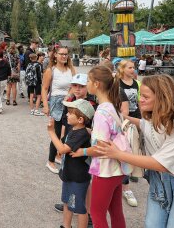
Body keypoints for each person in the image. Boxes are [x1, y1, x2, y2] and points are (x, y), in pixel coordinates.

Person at [96, 75, 174, 227]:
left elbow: (161, 164)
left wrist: (119, 154)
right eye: (140, 96)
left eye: (145, 96)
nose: (140, 100)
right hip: (161, 180)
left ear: (162, 98)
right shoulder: (154, 117)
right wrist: (115, 115)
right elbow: (143, 124)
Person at [70, 65, 126, 228]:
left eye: (88, 81)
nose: (86, 84)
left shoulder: (101, 112)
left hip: (105, 170)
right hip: (118, 169)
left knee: (96, 213)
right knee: (116, 212)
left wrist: (83, 151)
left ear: (97, 84)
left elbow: (101, 148)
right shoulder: (113, 107)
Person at [47, 99, 95, 228]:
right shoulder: (74, 129)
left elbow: (62, 149)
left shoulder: (81, 133)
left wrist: (52, 132)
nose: (67, 115)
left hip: (78, 178)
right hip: (69, 174)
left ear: (80, 119)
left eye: (70, 113)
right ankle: (66, 226)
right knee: (67, 202)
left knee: (80, 208)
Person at [42, 46, 76, 174]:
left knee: (68, 132)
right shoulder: (51, 70)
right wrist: (45, 105)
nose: (64, 56)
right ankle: (50, 160)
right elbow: (44, 89)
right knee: (55, 133)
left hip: (68, 103)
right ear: (55, 55)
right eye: (61, 54)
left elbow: (74, 85)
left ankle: (58, 155)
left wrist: (70, 94)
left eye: (66, 54)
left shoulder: (71, 69)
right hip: (56, 103)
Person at [116, 60, 140, 207]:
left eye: (133, 67)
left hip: (136, 118)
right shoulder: (117, 83)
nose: (133, 70)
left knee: (135, 149)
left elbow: (139, 101)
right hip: (123, 120)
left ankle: (133, 171)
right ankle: (126, 188)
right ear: (123, 69)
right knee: (124, 150)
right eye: (130, 67)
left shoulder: (136, 82)